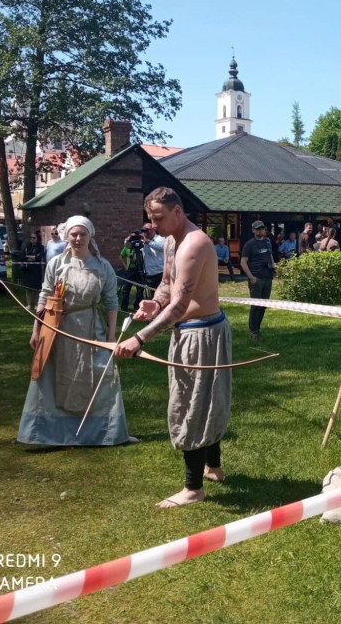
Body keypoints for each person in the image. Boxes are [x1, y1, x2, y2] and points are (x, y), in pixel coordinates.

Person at [115, 188, 230, 508]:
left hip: (203, 333)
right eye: (150, 219)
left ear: (177, 211)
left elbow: (180, 305)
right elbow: (168, 284)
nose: (153, 225)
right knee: (201, 398)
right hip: (190, 332)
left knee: (193, 403)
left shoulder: (195, 244)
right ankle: (213, 467)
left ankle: (193, 488)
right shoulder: (169, 241)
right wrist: (154, 302)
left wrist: (139, 338)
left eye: (158, 218)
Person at [18, 215, 130, 447]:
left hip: (92, 328)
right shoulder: (56, 264)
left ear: (90, 236)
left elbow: (111, 302)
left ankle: (103, 433)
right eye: (74, 234)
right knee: (53, 375)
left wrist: (111, 336)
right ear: (67, 236)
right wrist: (36, 330)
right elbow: (44, 297)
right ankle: (51, 434)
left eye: (82, 234)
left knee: (101, 374)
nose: (78, 239)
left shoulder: (102, 266)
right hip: (59, 328)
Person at [240, 220, 275, 341]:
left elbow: (270, 255)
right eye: (258, 229)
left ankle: (258, 328)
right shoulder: (249, 244)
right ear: (253, 230)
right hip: (256, 278)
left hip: (267, 277)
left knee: (263, 305)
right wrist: (251, 277)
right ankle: (253, 331)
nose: (260, 231)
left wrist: (273, 266)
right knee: (256, 306)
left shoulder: (267, 242)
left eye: (262, 228)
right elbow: (243, 262)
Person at [118, 230, 145, 310]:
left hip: (139, 270)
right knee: (126, 288)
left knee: (140, 289)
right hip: (130, 270)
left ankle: (137, 306)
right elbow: (121, 256)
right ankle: (124, 306)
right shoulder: (128, 247)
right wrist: (125, 266)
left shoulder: (142, 247)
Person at [22, 230, 45, 310]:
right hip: (28, 269)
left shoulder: (41, 247)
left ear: (37, 239)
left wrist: (31, 257)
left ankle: (36, 304)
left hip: (36, 270)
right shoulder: (27, 247)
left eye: (34, 238)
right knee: (28, 288)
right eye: (31, 238)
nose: (32, 239)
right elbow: (23, 256)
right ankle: (29, 304)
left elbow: (39, 257)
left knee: (36, 288)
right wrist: (33, 257)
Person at [141, 222, 166, 295]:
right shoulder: (143, 240)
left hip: (160, 273)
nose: (147, 232)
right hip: (149, 273)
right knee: (152, 295)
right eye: (144, 230)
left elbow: (162, 247)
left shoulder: (160, 239)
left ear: (154, 230)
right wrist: (128, 240)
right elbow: (130, 247)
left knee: (161, 295)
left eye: (148, 230)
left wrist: (148, 242)